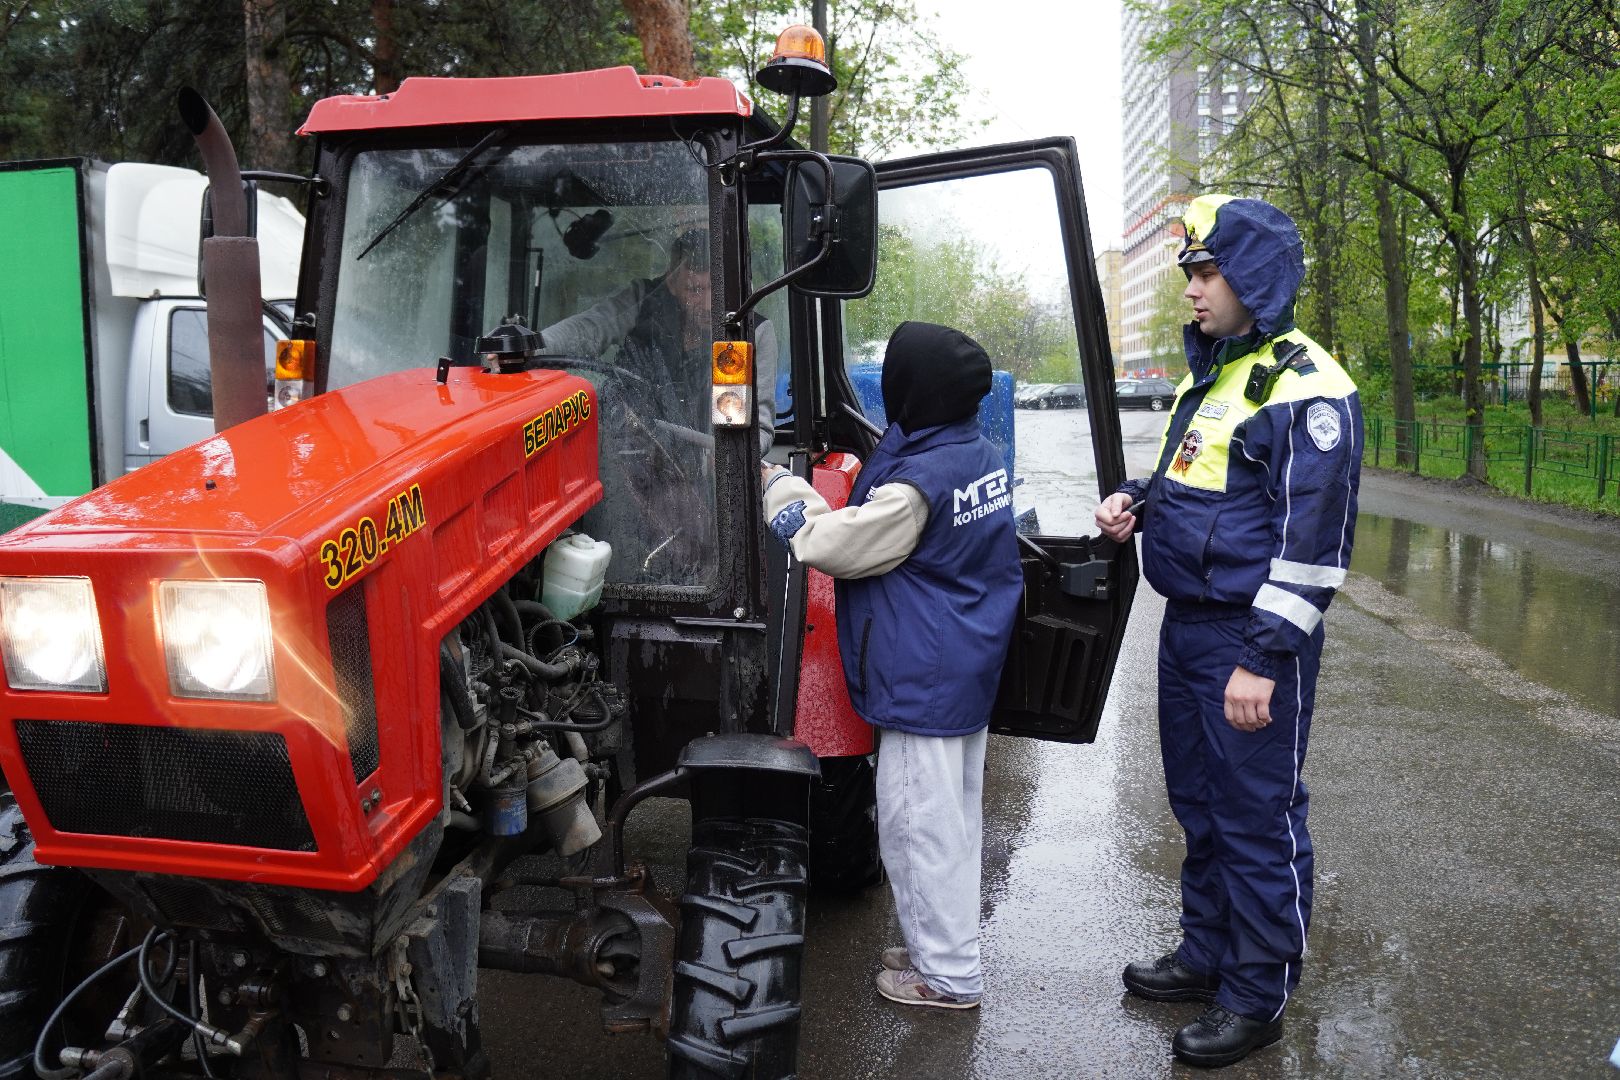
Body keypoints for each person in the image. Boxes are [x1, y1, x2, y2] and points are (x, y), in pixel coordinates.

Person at [1095, 194, 1363, 1068]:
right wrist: (1139, 499)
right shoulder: (1210, 374)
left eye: (1207, 272)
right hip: (1188, 628)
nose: (1193, 290)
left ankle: (1257, 994)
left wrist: (1263, 660)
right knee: (1201, 809)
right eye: (1189, 274)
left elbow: (1313, 548)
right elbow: (1197, 478)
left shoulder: (1309, 385)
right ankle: (1206, 954)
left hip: (1252, 639)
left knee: (1257, 817)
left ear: (1256, 275)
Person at [761, 321, 1022, 1010]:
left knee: (916, 828)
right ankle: (944, 943)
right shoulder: (972, 450)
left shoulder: (917, 488)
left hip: (922, 676)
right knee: (953, 822)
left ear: (916, 391)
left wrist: (778, 491)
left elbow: (828, 542)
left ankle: (948, 978)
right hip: (961, 663)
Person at [540, 227, 777, 454]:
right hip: (631, 457)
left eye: (715, 290)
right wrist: (532, 346)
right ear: (671, 284)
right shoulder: (644, 301)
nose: (707, 305)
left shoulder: (753, 331)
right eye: (694, 290)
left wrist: (726, 458)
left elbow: (762, 432)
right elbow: (587, 330)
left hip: (714, 481)